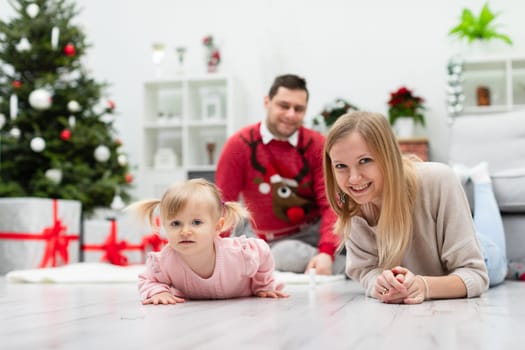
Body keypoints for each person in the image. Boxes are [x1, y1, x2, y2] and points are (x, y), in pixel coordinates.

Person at [323, 111, 508, 304]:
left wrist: (424, 286)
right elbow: (366, 272)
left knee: (495, 257)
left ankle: (481, 181)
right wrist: (380, 283)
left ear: (388, 157)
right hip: (437, 250)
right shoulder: (353, 204)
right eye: (340, 166)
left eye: (365, 161)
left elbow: (476, 274)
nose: (353, 178)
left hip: (482, 254)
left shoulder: (440, 179)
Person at [216, 74, 344, 275]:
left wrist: (327, 251)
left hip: (310, 233)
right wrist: (217, 257)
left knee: (287, 254)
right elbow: (223, 204)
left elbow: (331, 203)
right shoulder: (238, 145)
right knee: (275, 254)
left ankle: (331, 262)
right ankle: (345, 266)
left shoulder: (318, 145)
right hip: (259, 236)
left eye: (299, 109)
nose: (291, 114)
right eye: (284, 106)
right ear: (267, 102)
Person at [130, 178, 288, 305]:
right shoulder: (164, 262)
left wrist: (262, 286)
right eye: (175, 224)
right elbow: (148, 280)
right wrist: (159, 292)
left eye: (196, 223)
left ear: (217, 227)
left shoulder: (238, 254)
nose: (185, 231)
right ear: (164, 226)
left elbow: (263, 252)